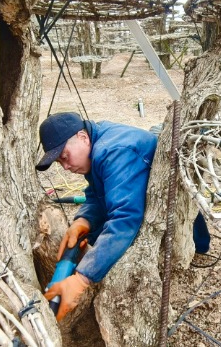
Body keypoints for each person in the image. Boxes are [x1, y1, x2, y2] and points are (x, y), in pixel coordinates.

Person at [36, 112, 157, 321]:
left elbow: (125, 219)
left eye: (64, 156)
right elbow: (98, 192)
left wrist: (82, 278)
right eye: (59, 162)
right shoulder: (94, 145)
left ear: (83, 137)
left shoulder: (114, 153)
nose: (65, 167)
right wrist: (83, 221)